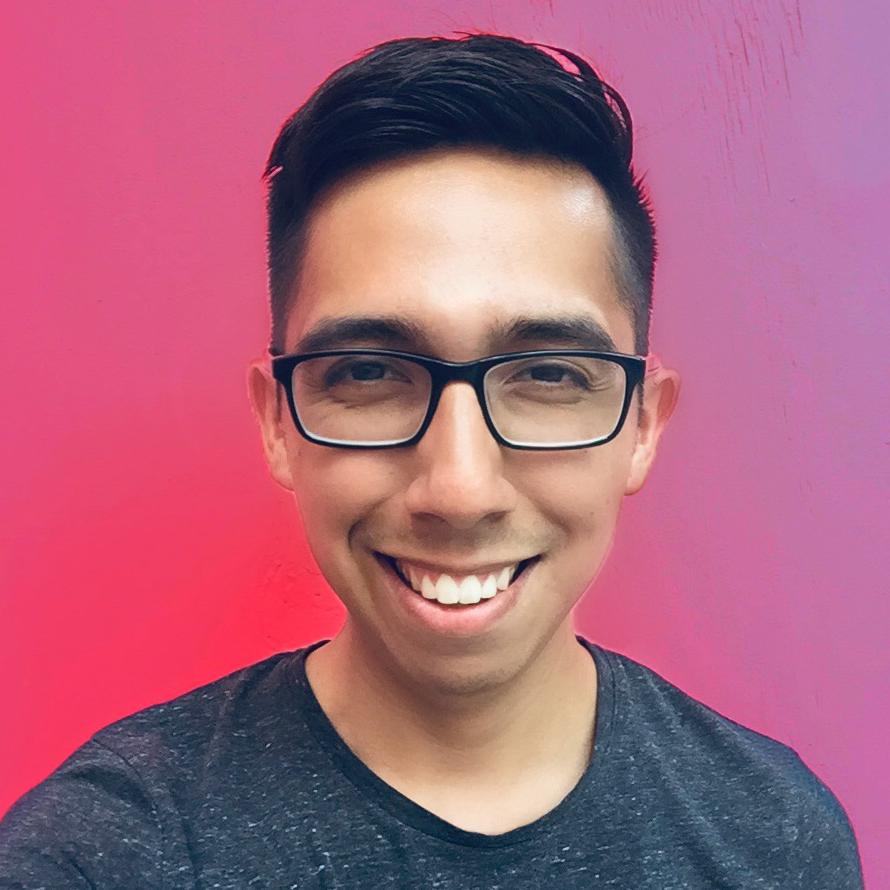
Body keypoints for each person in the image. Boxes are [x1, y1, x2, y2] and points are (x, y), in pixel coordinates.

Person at [1, 32, 863, 889]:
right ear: (278, 423)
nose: (459, 490)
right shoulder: (98, 855)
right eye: (368, 372)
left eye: (549, 375)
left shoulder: (777, 840)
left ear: (641, 425)